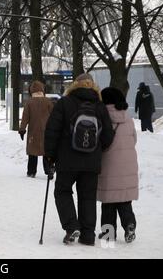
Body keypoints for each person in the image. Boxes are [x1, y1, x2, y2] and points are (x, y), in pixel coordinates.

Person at [44, 73, 114, 246]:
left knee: (62, 191)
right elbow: (107, 137)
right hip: (91, 162)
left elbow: (52, 131)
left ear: (75, 85)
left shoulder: (64, 103)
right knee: (88, 196)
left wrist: (50, 155)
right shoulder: (100, 106)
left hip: (67, 160)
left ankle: (71, 226)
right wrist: (97, 149)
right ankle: (88, 235)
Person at [97, 87, 138, 243]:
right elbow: (134, 140)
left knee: (108, 202)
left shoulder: (103, 117)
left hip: (109, 165)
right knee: (124, 200)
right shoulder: (127, 118)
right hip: (128, 165)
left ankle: (108, 234)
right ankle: (129, 224)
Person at [19, 81, 54, 178]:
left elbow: (25, 117)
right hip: (46, 131)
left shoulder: (29, 102)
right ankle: (48, 170)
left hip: (33, 131)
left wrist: (22, 129)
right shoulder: (48, 101)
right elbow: (54, 116)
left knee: (32, 153)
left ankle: (31, 171)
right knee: (46, 152)